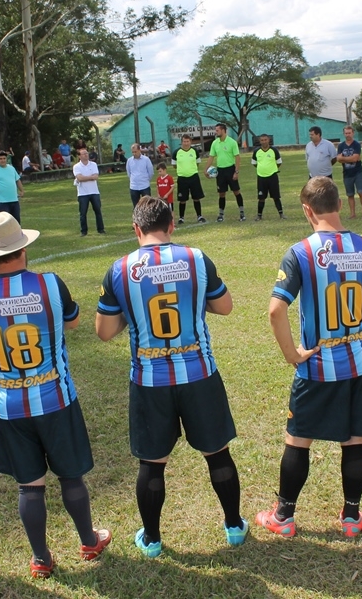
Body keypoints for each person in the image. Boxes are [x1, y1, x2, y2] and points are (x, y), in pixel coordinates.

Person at [257, 177, 362, 538]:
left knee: (298, 438)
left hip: (318, 365)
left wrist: (291, 354)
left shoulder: (301, 252)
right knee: (355, 440)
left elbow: (275, 310)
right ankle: (351, 518)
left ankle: (283, 517)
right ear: (340, 205)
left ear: (307, 210)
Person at [96, 197, 247, 556]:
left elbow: (104, 331)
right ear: (172, 225)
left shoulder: (120, 269)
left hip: (150, 380)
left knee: (152, 463)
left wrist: (133, 312)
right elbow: (224, 306)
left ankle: (152, 540)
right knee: (217, 454)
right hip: (199, 374)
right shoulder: (196, 258)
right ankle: (233, 526)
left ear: (136, 229)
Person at [0, 213, 111, 578]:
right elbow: (73, 321)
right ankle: (88, 541)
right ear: (23, 247)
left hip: (8, 405)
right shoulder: (49, 284)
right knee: (71, 477)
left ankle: (41, 559)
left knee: (29, 487)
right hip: (55, 398)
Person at [205, 123, 245, 222]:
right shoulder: (215, 143)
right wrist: (206, 169)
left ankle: (242, 213)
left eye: (217, 130)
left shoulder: (232, 142)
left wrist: (236, 172)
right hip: (220, 171)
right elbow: (211, 157)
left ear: (223, 130)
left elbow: (237, 157)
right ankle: (221, 215)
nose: (216, 132)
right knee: (221, 193)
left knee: (236, 191)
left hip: (230, 170)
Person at [172, 135, 206, 224]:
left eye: (187, 141)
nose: (186, 143)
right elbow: (174, 165)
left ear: (190, 142)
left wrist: (191, 170)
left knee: (196, 198)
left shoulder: (194, 151)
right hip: (182, 178)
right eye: (184, 141)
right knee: (182, 199)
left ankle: (199, 216)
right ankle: (181, 218)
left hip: (194, 177)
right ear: (181, 142)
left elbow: (197, 163)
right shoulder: (176, 152)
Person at [73, 146, 105, 236]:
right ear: (79, 156)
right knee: (83, 213)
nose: (86, 155)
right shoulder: (76, 166)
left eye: (86, 153)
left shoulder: (93, 165)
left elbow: (96, 177)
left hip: (94, 192)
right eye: (83, 154)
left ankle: (101, 229)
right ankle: (84, 231)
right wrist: (90, 177)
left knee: (98, 211)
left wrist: (85, 178)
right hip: (82, 193)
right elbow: (79, 178)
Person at [251, 133, 284, 220]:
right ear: (259, 141)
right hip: (261, 177)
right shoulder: (256, 151)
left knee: (276, 197)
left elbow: (279, 162)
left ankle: (281, 214)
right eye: (262, 140)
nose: (264, 142)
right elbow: (254, 163)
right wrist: (262, 169)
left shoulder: (274, 150)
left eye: (265, 140)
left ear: (268, 140)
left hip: (272, 176)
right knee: (261, 197)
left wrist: (272, 169)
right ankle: (259, 215)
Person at [337, 125, 362, 219]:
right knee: (350, 194)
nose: (348, 135)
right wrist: (349, 158)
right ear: (344, 134)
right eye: (346, 133)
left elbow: (355, 158)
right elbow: (338, 159)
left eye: (349, 133)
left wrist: (344, 158)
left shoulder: (356, 144)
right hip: (347, 174)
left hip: (358, 172)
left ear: (353, 133)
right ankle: (352, 214)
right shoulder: (341, 146)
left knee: (361, 192)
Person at [126, 143, 155, 208]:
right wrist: (133, 179)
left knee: (147, 205)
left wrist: (146, 180)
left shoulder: (146, 159)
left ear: (139, 150)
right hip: (134, 187)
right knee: (136, 206)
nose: (134, 153)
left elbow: (151, 172)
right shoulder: (129, 161)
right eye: (132, 152)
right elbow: (129, 172)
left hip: (145, 185)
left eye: (135, 151)